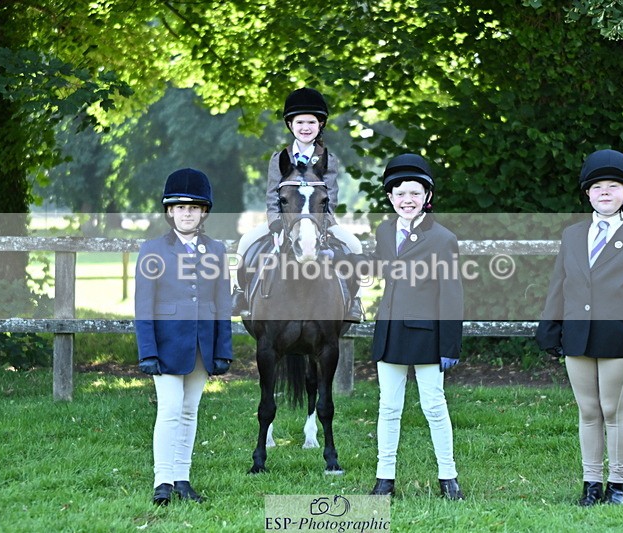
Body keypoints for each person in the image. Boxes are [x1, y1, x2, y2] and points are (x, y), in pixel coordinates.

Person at [536, 149, 623, 506]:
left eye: (613, 186)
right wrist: (550, 324)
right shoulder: (573, 235)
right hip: (578, 336)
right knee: (588, 411)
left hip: (620, 338)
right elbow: (560, 283)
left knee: (613, 409)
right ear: (587, 193)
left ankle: (617, 484)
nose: (604, 192)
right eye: (597, 187)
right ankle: (591, 483)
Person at [368, 153, 465, 500]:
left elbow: (451, 295)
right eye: (400, 194)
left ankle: (448, 477)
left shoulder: (442, 238)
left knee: (434, 406)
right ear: (390, 197)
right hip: (390, 332)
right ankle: (385, 478)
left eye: (414, 193)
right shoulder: (384, 231)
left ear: (427, 196)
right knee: (388, 407)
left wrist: (449, 345)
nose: (406, 200)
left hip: (428, 335)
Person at [134, 168, 233, 506]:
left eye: (193, 208)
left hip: (203, 346)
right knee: (170, 409)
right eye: (180, 208)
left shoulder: (216, 250)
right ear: (169, 211)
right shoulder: (153, 250)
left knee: (190, 411)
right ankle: (162, 480)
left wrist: (223, 350)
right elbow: (143, 306)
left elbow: (223, 304)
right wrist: (147, 351)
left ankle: (182, 479)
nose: (186, 214)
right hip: (166, 346)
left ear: (203, 212)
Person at [232, 87, 363, 321]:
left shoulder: (328, 159)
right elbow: (272, 195)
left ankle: (356, 301)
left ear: (320, 124)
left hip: (320, 221)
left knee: (354, 245)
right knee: (245, 241)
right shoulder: (279, 158)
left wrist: (323, 224)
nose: (305, 127)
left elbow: (330, 197)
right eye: (300, 122)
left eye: (311, 122)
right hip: (285, 221)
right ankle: (240, 293)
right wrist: (276, 224)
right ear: (290, 125)